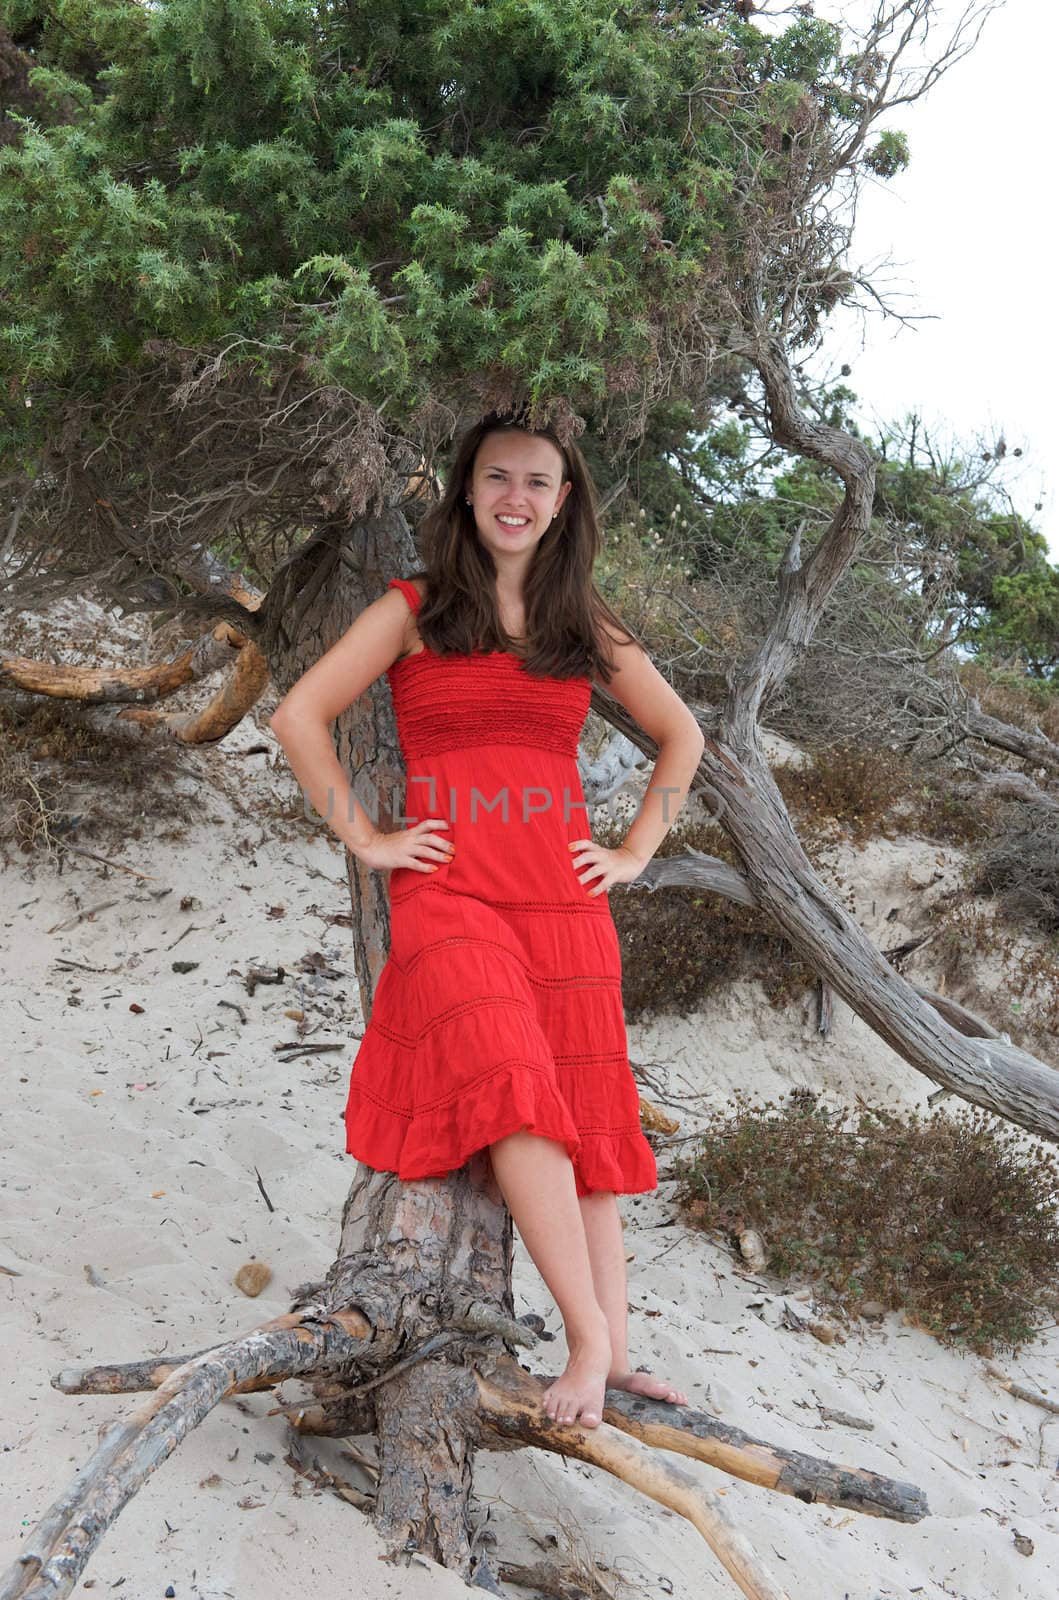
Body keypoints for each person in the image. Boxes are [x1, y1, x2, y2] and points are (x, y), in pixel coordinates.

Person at [269, 410, 705, 1430]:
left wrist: (636, 850)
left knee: (591, 1121)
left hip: (564, 904)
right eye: (498, 477)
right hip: (451, 892)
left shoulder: (579, 622)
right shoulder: (416, 607)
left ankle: (619, 1353)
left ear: (564, 503)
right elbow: (299, 716)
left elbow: (682, 737)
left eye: (538, 483)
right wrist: (368, 839)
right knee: (513, 1088)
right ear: (468, 491)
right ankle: (587, 1340)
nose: (516, 497)